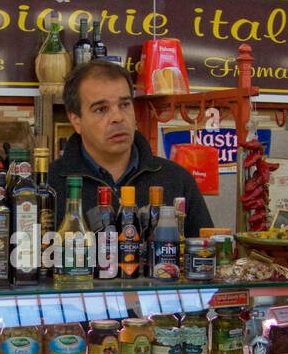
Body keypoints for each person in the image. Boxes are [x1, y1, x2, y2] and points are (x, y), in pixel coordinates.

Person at [48, 60, 213, 237]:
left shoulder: (176, 180)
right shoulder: (50, 187)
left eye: (124, 105)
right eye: (101, 109)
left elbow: (205, 255)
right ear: (76, 121)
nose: (117, 117)